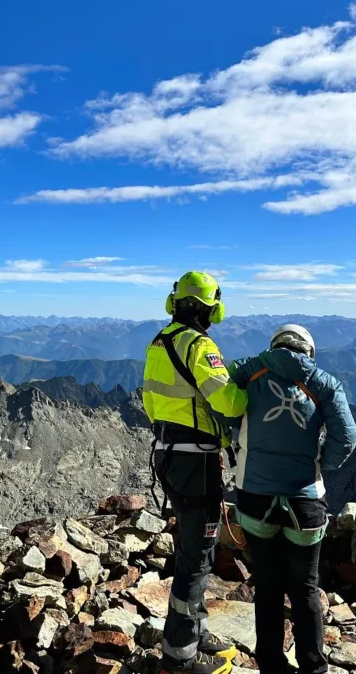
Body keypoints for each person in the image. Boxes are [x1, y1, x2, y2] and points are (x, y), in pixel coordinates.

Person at [228, 324, 356, 674]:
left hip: (254, 497)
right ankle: (312, 668)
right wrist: (318, 463)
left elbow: (219, 401)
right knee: (304, 588)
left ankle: (270, 665)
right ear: (308, 351)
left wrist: (235, 442)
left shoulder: (247, 370)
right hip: (305, 501)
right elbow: (347, 437)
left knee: (267, 585)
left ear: (275, 346)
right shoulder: (324, 383)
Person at [143, 271, 249, 674]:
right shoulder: (199, 345)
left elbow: (153, 403)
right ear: (212, 308)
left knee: (192, 548)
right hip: (197, 461)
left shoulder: (160, 341)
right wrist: (248, 392)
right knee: (198, 556)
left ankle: (196, 629)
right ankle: (180, 656)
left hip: (169, 456)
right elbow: (228, 400)